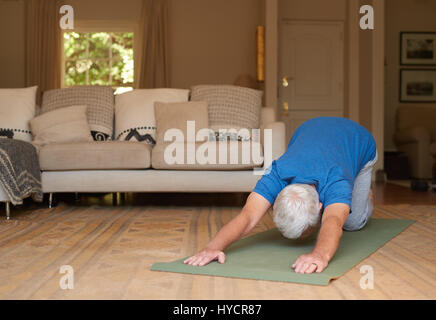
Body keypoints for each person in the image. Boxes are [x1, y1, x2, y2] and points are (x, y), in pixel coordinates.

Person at [184, 117, 377, 274]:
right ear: (274, 202)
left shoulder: (337, 180)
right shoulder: (277, 173)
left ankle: (365, 194)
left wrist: (319, 255)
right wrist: (212, 247)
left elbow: (333, 221)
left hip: (359, 141)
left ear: (321, 206)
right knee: (341, 208)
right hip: (310, 126)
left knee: (352, 223)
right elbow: (248, 216)